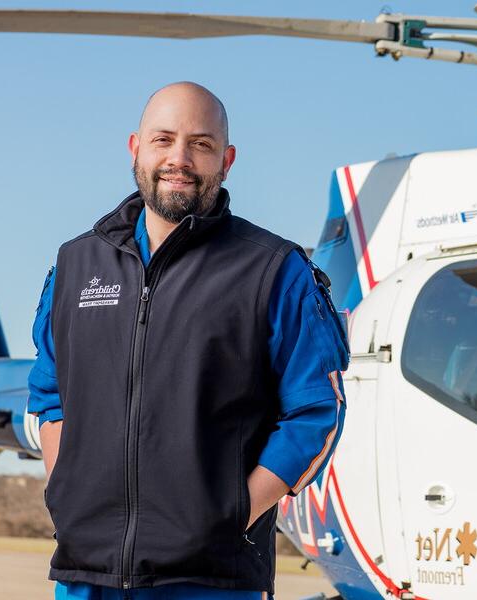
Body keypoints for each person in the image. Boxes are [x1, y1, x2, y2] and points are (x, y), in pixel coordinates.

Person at [27, 82, 349, 600]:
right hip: (86, 575)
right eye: (163, 139)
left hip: (212, 580)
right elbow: (49, 397)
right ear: (135, 147)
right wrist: (68, 497)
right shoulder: (73, 266)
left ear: (227, 158)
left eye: (200, 144)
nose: (179, 158)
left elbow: (316, 413)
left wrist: (233, 515)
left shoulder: (274, 270)